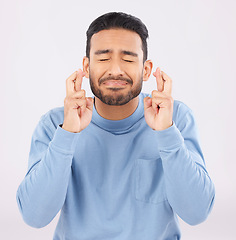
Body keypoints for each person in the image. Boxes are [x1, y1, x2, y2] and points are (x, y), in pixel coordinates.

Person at [16, 12, 215, 240]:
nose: (116, 70)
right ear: (86, 66)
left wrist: (166, 133)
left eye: (129, 59)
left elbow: (197, 213)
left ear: (146, 69)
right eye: (103, 59)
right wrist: (67, 134)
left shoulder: (175, 118)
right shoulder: (55, 124)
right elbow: (34, 216)